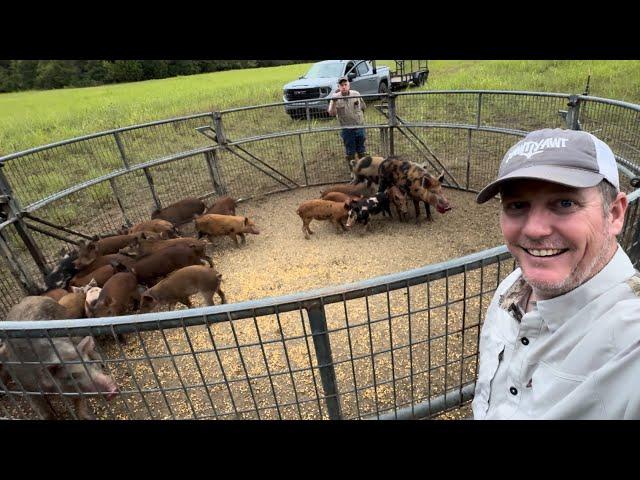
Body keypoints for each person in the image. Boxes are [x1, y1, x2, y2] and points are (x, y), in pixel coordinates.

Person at [472, 128, 640, 420]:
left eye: (565, 203)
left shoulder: (631, 344)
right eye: (517, 205)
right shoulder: (512, 288)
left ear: (614, 214)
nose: (535, 230)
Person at [327, 76, 367, 170]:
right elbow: (331, 113)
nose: (344, 87)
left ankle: (364, 170)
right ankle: (353, 172)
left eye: (345, 84)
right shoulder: (335, 98)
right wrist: (333, 102)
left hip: (359, 127)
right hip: (347, 129)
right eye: (341, 85)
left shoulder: (356, 94)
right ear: (338, 87)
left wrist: (359, 120)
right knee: (350, 152)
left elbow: (363, 107)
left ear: (349, 85)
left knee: (362, 150)